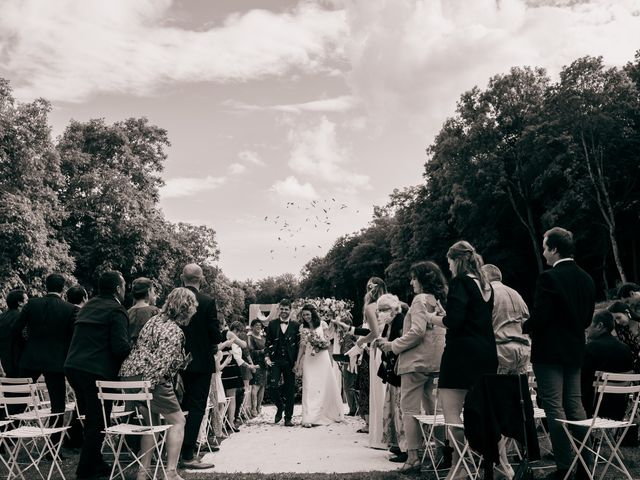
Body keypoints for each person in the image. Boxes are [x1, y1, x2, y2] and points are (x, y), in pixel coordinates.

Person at [522, 227, 595, 480]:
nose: (543, 253)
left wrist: (524, 326)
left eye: (544, 247)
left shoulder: (548, 278)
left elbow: (541, 316)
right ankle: (585, 466)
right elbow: (587, 319)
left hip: (550, 351)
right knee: (575, 406)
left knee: (554, 407)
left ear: (554, 248)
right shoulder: (586, 278)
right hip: (575, 350)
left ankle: (564, 467)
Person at [428, 241, 498, 480]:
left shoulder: (460, 282)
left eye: (449, 262)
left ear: (456, 260)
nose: (448, 268)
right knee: (480, 412)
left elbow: (455, 321)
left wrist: (433, 318)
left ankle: (459, 467)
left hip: (461, 355)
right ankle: (484, 463)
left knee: (452, 414)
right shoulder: (486, 285)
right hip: (487, 354)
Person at [120, 287, 198, 480]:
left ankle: (143, 472)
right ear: (185, 309)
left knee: (151, 425)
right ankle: (170, 473)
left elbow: (148, 353)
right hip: (149, 380)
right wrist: (152, 384)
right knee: (178, 421)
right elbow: (160, 366)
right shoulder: (175, 331)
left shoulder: (153, 320)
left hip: (129, 375)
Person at [379, 263, 447, 473]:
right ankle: (442, 454)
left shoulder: (418, 300)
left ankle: (414, 457)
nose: (411, 282)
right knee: (436, 410)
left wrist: (393, 346)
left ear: (423, 279)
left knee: (409, 410)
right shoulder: (439, 301)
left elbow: (417, 332)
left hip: (416, 363)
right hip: (436, 362)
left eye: (414, 278)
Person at [64, 271, 131, 480]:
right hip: (96, 372)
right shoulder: (117, 310)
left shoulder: (88, 307)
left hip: (73, 367)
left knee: (89, 418)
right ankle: (84, 472)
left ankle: (97, 464)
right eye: (124, 286)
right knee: (98, 422)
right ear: (119, 289)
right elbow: (120, 347)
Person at [13, 273, 78, 445]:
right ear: (63, 288)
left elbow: (16, 329)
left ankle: (8, 438)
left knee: (19, 399)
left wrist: (26, 346)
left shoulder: (32, 304)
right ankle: (53, 444)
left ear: (45, 286)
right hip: (56, 360)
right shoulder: (69, 309)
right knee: (58, 404)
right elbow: (72, 337)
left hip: (30, 357)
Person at [178, 263, 221, 468]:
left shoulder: (172, 300)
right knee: (196, 408)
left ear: (181, 277)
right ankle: (187, 454)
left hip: (176, 362)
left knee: (179, 406)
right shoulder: (206, 301)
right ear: (201, 279)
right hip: (201, 363)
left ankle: (174, 449)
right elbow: (215, 333)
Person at [295, 304, 344, 427]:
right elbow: (302, 345)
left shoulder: (322, 324)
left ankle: (324, 414)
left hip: (322, 357)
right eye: (303, 315)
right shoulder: (302, 327)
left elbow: (328, 341)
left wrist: (321, 344)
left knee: (323, 384)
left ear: (313, 314)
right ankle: (309, 417)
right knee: (309, 385)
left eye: (307, 314)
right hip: (309, 358)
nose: (306, 317)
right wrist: (298, 361)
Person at [372, 294, 407, 463]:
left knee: (400, 409)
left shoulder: (401, 320)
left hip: (399, 370)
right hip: (392, 370)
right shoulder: (389, 323)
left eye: (384, 309)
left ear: (394, 309)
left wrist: (386, 344)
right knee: (392, 408)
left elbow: (398, 342)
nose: (381, 313)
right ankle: (396, 443)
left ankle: (405, 447)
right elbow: (387, 339)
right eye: (379, 310)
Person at [354, 277, 388, 448]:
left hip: (377, 349)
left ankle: (381, 436)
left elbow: (374, 333)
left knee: (378, 392)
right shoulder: (392, 303)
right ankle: (392, 434)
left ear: (370, 290)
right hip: (391, 349)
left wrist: (360, 342)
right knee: (388, 391)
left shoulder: (370, 307)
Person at [581, 310, 633, 419]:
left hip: (593, 407)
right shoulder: (626, 349)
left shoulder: (591, 348)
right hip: (619, 408)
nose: (586, 328)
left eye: (589, 324)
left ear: (599, 326)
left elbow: (581, 378)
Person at [481, 264, 531, 375]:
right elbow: (526, 322)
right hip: (522, 351)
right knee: (516, 390)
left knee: (497, 390)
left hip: (500, 351)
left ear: (484, 277)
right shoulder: (516, 294)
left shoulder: (488, 294)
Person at [264, 299, 300, 427]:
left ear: (290, 310)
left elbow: (299, 346)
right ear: (279, 309)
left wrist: (297, 362)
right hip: (275, 360)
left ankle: (288, 418)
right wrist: (267, 357)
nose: (284, 311)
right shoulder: (272, 324)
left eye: (286, 309)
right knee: (272, 385)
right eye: (282, 309)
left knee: (290, 389)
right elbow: (267, 342)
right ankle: (280, 407)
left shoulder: (296, 325)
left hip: (290, 361)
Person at [0, 289, 27, 378]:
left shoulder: (2, 317)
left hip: (6, 362)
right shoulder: (22, 317)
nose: (28, 303)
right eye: (26, 300)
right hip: (21, 361)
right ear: (20, 303)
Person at [127, 277, 159, 344]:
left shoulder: (127, 312)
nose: (154, 294)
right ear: (148, 291)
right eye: (153, 291)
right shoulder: (154, 311)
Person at [248, 319, 267, 417]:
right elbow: (250, 352)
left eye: (260, 325)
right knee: (255, 387)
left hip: (264, 364)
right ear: (252, 327)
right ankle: (253, 408)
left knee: (262, 386)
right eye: (256, 325)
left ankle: (259, 406)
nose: (258, 327)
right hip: (255, 364)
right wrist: (262, 351)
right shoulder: (250, 338)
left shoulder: (264, 337)